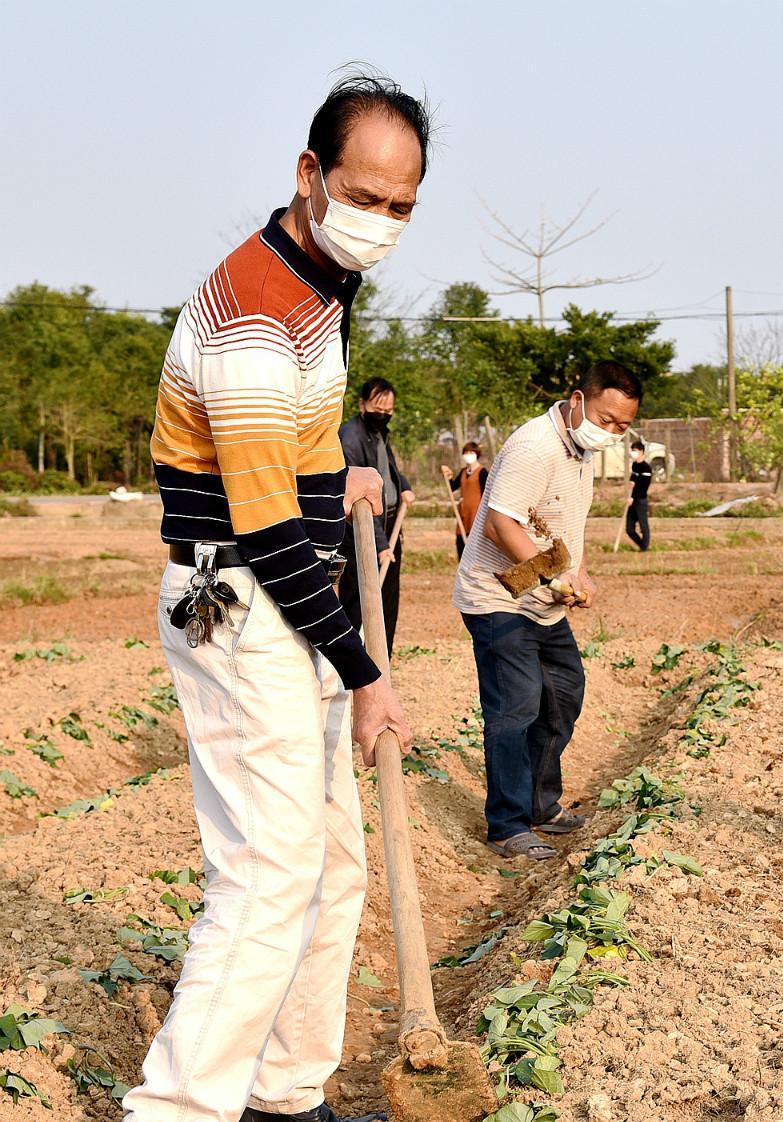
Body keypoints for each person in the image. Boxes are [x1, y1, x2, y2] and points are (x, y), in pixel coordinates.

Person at [130, 72, 428, 1122]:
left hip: (280, 588)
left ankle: (283, 1089)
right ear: (310, 175)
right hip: (236, 593)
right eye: (366, 196)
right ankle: (178, 1107)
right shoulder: (260, 310)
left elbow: (277, 461)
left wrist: (332, 471)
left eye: (402, 207)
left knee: (333, 862)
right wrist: (367, 669)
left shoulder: (317, 287)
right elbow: (256, 525)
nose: (383, 222)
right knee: (266, 872)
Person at [453, 361, 642, 859]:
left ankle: (540, 803)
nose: (612, 434)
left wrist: (576, 576)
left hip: (542, 599)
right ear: (578, 400)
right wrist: (550, 577)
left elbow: (556, 524)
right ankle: (507, 825)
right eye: (606, 421)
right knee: (516, 707)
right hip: (499, 597)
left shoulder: (578, 449)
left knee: (562, 695)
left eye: (622, 427)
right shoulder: (535, 446)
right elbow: (499, 524)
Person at [338, 377, 413, 655]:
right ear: (362, 404)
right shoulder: (350, 438)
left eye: (388, 409)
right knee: (359, 600)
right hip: (361, 531)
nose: (383, 414)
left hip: (390, 525)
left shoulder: (381, 433)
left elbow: (389, 468)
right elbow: (359, 499)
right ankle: (355, 664)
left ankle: (383, 661)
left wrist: (404, 487)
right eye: (378, 408)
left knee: (388, 599)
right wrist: (380, 546)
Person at [444, 441, 488, 558]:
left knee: (474, 544)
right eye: (466, 452)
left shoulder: (482, 472)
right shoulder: (464, 472)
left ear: (476, 454)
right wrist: (448, 477)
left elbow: (486, 493)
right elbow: (453, 487)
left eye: (471, 452)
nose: (468, 455)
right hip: (464, 513)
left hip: (476, 514)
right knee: (460, 541)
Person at [625, 441, 653, 551]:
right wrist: (631, 481)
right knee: (629, 529)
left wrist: (633, 497)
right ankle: (641, 545)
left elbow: (643, 487)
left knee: (643, 526)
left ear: (641, 451)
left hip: (640, 501)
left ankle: (644, 548)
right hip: (632, 500)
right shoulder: (635, 465)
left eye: (635, 451)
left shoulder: (646, 468)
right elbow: (634, 477)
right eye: (632, 450)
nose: (633, 453)